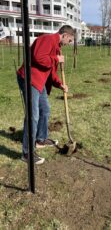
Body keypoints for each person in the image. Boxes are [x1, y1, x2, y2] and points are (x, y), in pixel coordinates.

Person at [17, 25, 74, 165]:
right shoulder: (47, 39)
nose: (70, 43)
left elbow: (51, 72)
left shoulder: (56, 48)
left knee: (45, 110)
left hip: (39, 82)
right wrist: (56, 59)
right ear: (65, 35)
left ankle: (40, 139)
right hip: (30, 79)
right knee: (33, 116)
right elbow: (38, 57)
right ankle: (27, 153)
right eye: (70, 40)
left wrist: (60, 84)